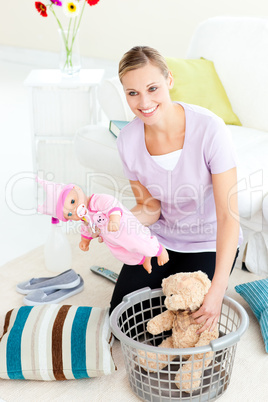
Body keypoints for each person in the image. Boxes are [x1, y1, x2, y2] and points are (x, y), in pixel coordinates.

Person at [109, 46, 242, 334]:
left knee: (188, 324)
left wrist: (219, 289)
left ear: (169, 80)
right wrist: (117, 219)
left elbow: (228, 216)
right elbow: (150, 208)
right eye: (133, 93)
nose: (144, 102)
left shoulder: (210, 129)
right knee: (124, 322)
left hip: (208, 240)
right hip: (161, 241)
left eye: (152, 88)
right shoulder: (127, 140)